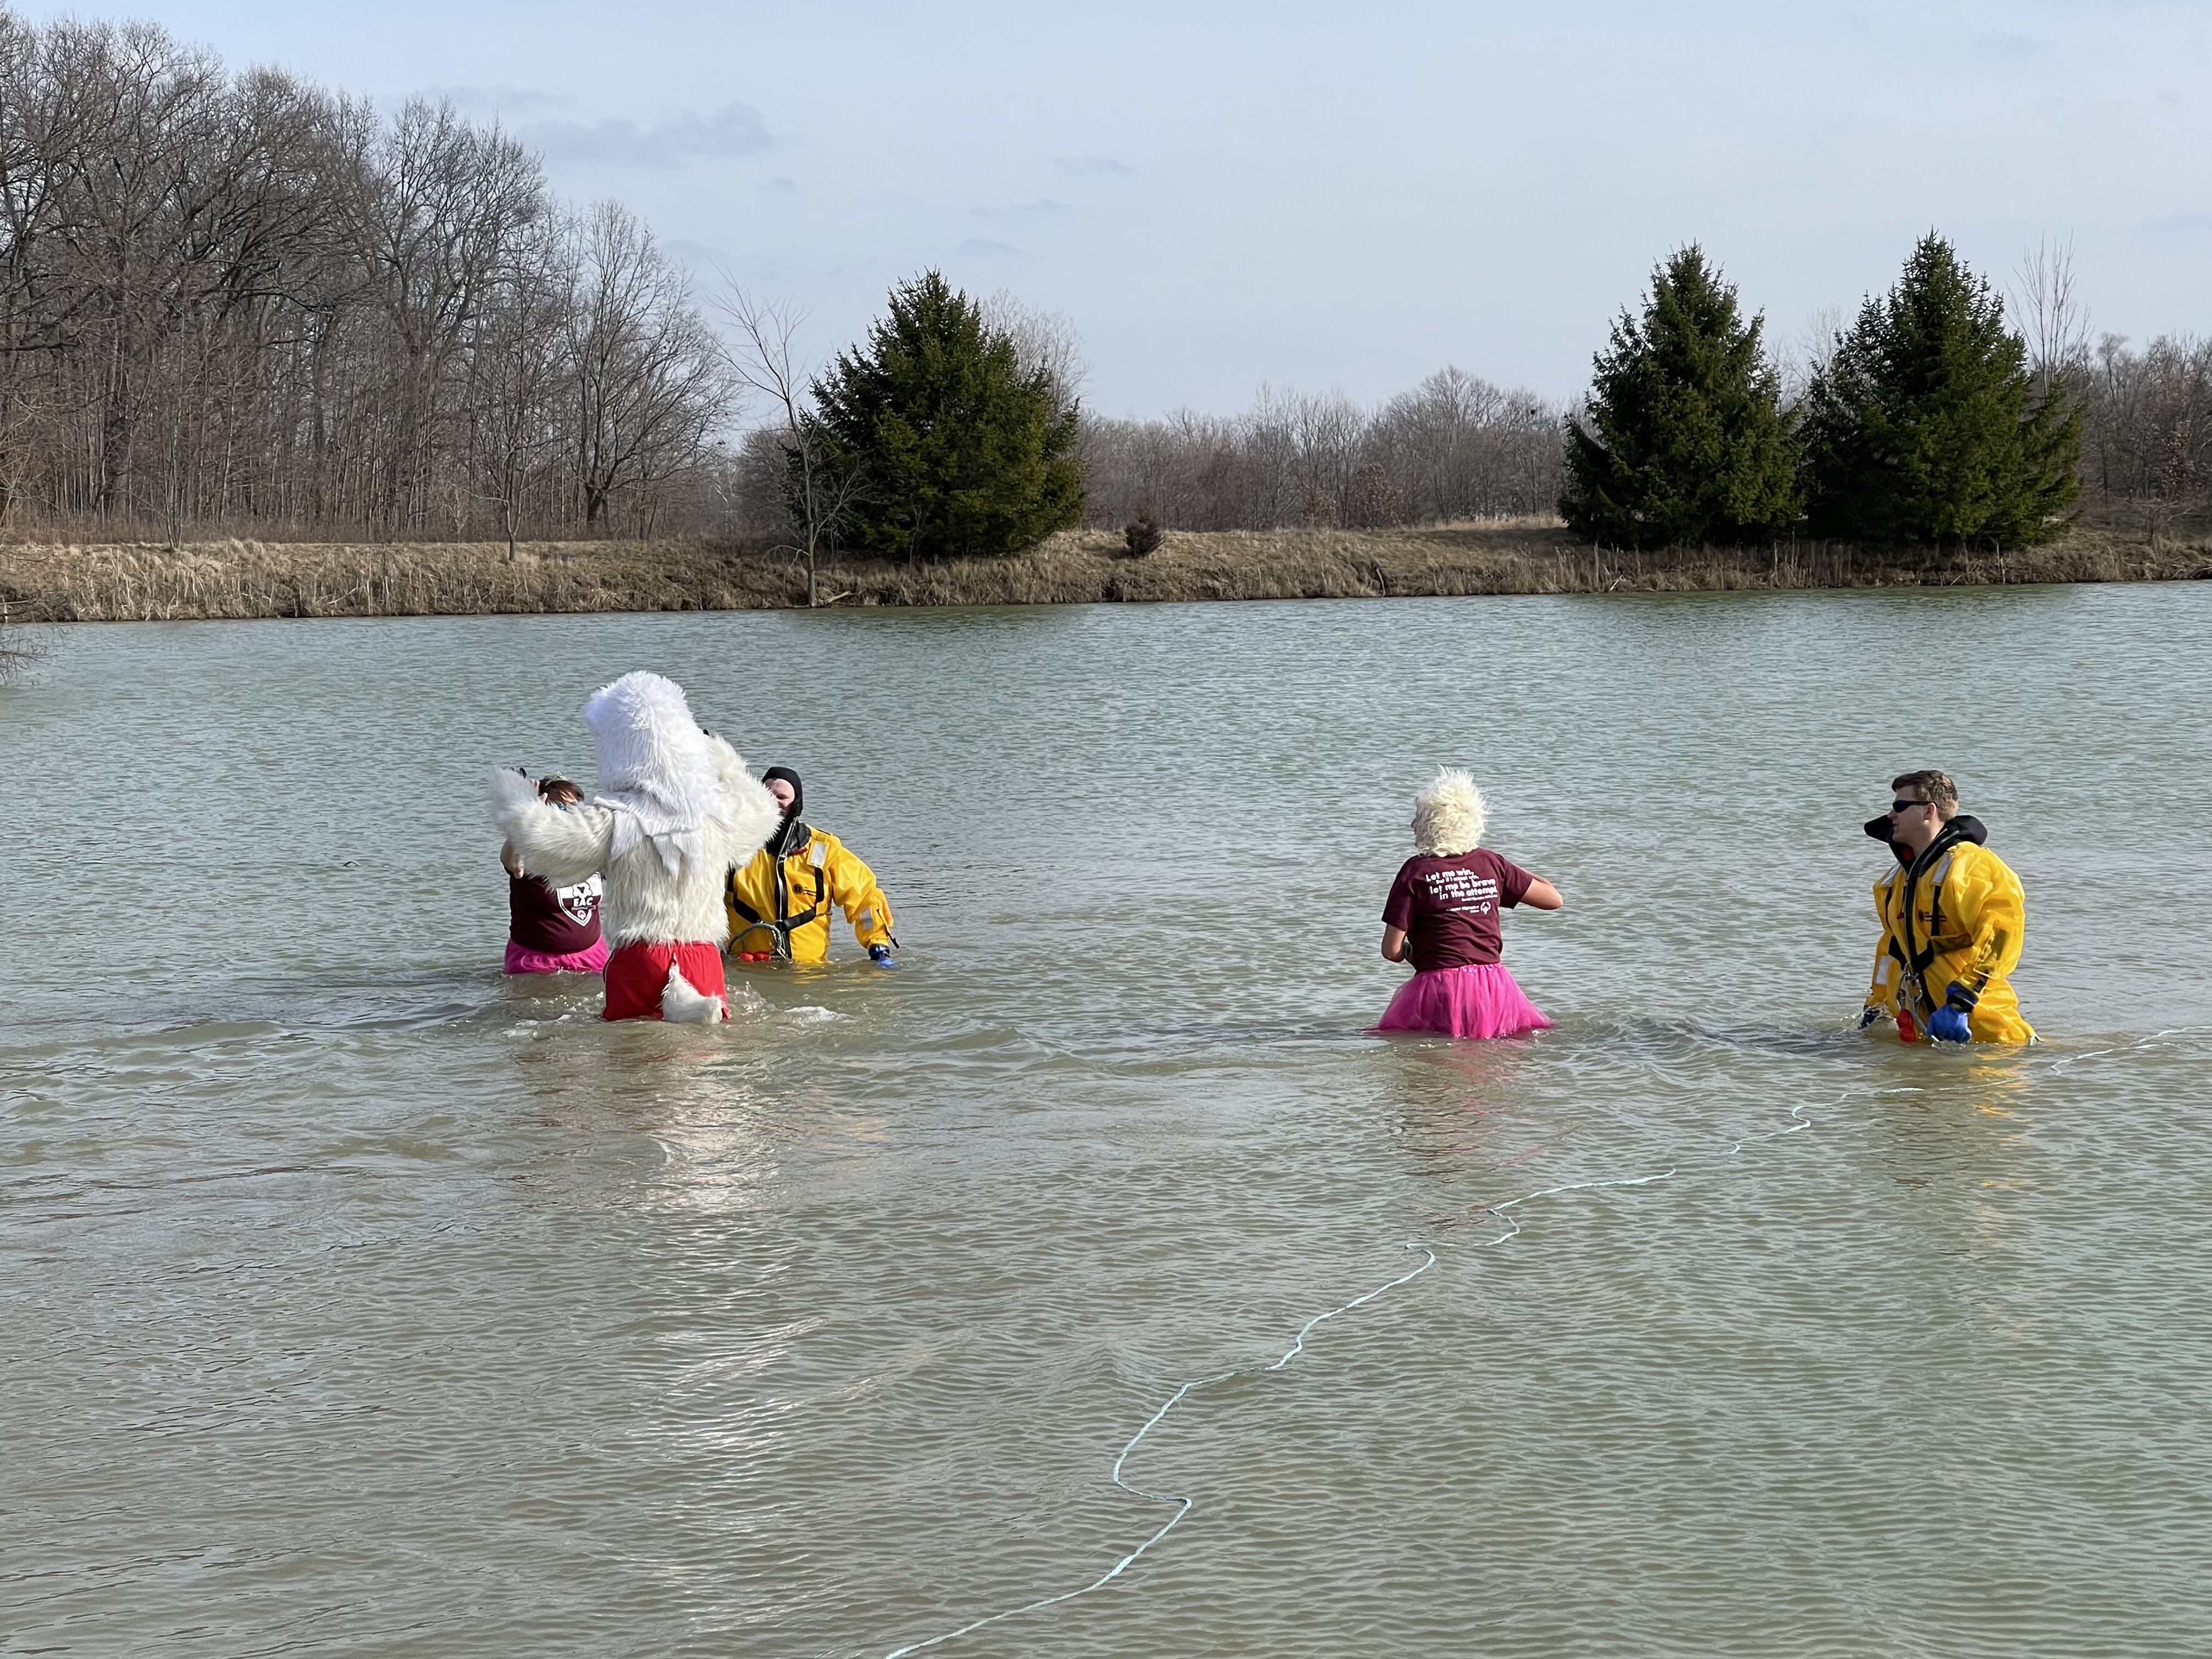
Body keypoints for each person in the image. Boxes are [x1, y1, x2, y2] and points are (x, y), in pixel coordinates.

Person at [491, 671, 779, 1022]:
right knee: (705, 1066)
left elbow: (543, 841)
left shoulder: (614, 819)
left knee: (631, 1066)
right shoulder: (717, 817)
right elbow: (764, 808)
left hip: (640, 956)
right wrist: (722, 760)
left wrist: (515, 795)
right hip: (702, 955)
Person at [1375, 769, 1562, 1038]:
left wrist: (1409, 952)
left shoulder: (1415, 871)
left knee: (1436, 1063)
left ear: (1430, 825)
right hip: (1494, 987)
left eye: (1417, 818)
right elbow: (1553, 899)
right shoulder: (1491, 863)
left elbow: (1390, 950)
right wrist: (1501, 866)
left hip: (1440, 985)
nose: (1412, 825)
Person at [1859, 769, 2034, 1043]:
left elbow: (2001, 935)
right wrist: (1878, 1003)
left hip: (1984, 1028)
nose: (1891, 815)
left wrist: (1961, 1001)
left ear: (1929, 811)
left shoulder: (1974, 867)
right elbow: (1891, 947)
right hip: (1923, 1028)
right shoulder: (1894, 880)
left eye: (1900, 806)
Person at [725, 766, 899, 965]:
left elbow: (864, 897)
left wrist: (878, 946)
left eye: (781, 797)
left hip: (809, 972)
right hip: (747, 966)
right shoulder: (734, 847)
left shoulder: (825, 849)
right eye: (767, 794)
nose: (773, 801)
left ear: (796, 804)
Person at [501, 776, 609, 974]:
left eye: (575, 806)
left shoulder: (591, 850)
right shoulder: (528, 849)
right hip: (534, 961)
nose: (568, 812)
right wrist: (523, 818)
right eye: (559, 806)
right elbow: (514, 864)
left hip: (593, 956)